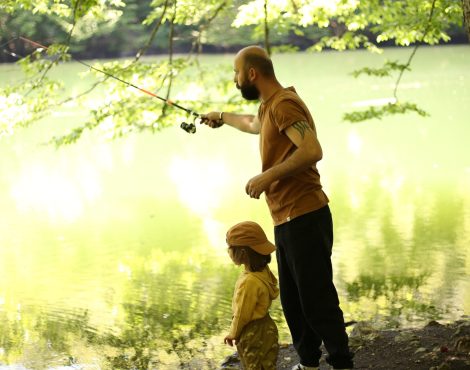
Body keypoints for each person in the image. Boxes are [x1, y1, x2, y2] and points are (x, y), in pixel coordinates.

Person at [202, 46, 354, 370]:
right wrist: (222, 117)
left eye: (236, 73)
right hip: (286, 217)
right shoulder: (270, 107)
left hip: (305, 214)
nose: (235, 79)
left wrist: (267, 176)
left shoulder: (284, 104)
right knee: (294, 302)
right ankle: (309, 363)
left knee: (317, 300)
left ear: (252, 74)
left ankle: (342, 363)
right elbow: (253, 124)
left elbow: (312, 149)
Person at [224, 220, 280, 370]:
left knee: (253, 366)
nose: (228, 251)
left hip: (252, 332)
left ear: (242, 253)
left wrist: (233, 333)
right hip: (268, 327)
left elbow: (242, 313)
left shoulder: (249, 282)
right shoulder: (262, 271)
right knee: (267, 365)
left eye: (230, 248)